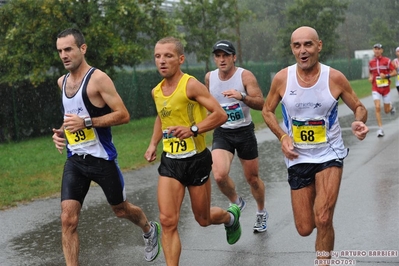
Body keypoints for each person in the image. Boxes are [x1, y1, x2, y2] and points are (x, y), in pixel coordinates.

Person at [52, 28, 160, 265]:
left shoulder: (98, 79)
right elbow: (71, 118)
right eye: (60, 51)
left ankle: (149, 228)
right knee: (67, 219)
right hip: (76, 161)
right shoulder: (62, 82)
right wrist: (61, 133)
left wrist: (87, 122)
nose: (63, 55)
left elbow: (123, 115)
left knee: (121, 210)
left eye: (68, 49)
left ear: (83, 48)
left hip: (102, 159)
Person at [262, 26, 369, 262]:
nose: (303, 51)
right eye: (297, 45)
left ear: (318, 46)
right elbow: (267, 111)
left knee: (323, 218)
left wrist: (358, 122)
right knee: (304, 227)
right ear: (292, 48)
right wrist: (282, 136)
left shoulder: (334, 78)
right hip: (297, 157)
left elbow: (359, 107)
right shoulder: (282, 78)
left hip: (328, 154)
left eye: (308, 44)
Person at [144, 37, 241, 266]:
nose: (162, 61)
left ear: (180, 59)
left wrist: (193, 129)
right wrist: (152, 144)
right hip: (171, 162)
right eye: (158, 56)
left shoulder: (191, 85)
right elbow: (162, 116)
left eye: (168, 56)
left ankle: (230, 217)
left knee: (203, 218)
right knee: (167, 222)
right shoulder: (156, 91)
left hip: (196, 160)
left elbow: (220, 114)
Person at [205, 40, 268, 233]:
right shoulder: (209, 77)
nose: (222, 60)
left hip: (244, 131)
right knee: (219, 175)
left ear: (234, 57)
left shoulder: (245, 76)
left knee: (253, 179)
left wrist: (241, 96)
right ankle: (237, 202)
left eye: (225, 55)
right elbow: (208, 103)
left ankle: (261, 212)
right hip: (222, 131)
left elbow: (261, 103)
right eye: (218, 56)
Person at [368, 43, 397, 137]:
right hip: (375, 87)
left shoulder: (387, 61)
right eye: (375, 49)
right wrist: (370, 77)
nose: (377, 50)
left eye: (378, 49)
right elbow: (371, 73)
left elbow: (394, 72)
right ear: (373, 50)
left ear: (381, 50)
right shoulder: (371, 62)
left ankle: (390, 107)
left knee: (386, 111)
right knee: (377, 107)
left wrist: (387, 76)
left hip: (385, 88)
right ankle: (380, 129)